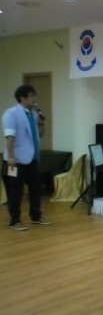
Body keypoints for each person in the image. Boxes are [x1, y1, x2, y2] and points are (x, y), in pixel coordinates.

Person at [2, 85, 52, 230]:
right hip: (15, 161)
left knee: (36, 188)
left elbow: (40, 135)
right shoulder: (11, 114)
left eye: (34, 96)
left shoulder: (34, 114)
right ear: (22, 98)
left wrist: (42, 123)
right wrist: (11, 158)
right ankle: (15, 221)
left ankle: (36, 216)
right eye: (31, 96)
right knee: (15, 191)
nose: (34, 99)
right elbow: (9, 137)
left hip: (32, 159)